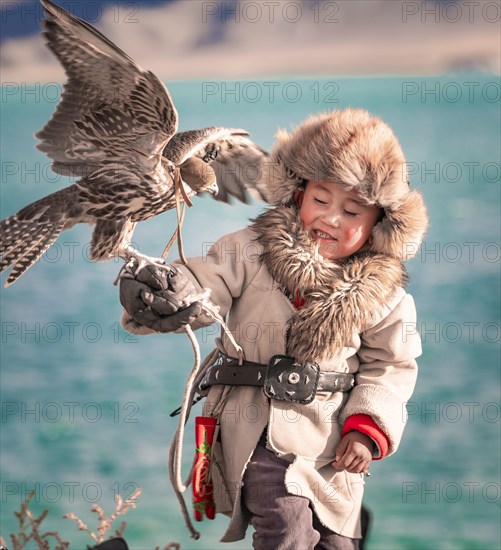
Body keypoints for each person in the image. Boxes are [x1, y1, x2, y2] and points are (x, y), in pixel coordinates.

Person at [119, 109, 428, 549]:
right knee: (286, 530)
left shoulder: (385, 295)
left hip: (332, 445)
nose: (332, 218)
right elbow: (208, 282)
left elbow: (392, 366)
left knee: (338, 542)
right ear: (297, 194)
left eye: (352, 210)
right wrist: (173, 291)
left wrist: (367, 428)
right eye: (321, 200)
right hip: (257, 428)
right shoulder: (249, 250)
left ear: (378, 222)